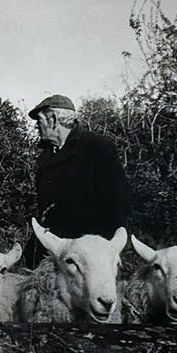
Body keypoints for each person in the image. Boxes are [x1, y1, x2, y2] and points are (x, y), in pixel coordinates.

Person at [24, 94, 133, 266]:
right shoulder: (46, 157)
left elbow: (118, 202)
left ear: (53, 119)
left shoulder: (97, 148)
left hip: (88, 257)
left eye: (39, 119)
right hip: (53, 254)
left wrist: (104, 250)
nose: (36, 125)